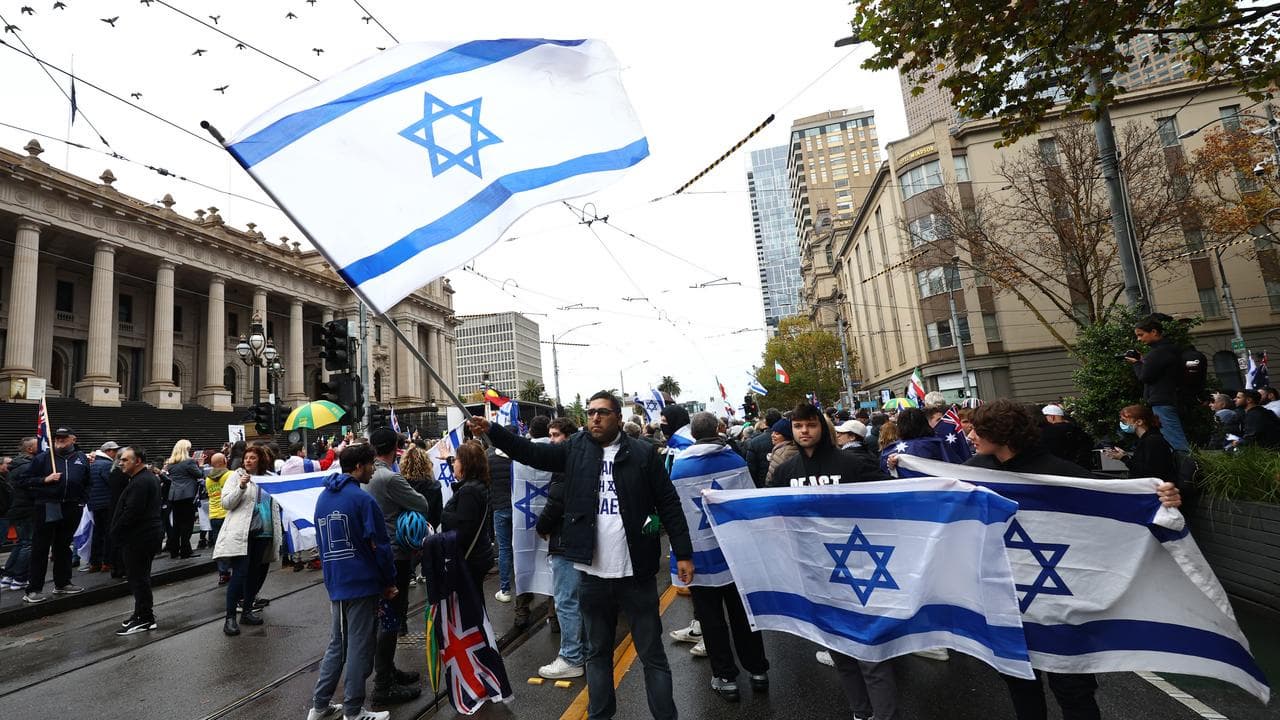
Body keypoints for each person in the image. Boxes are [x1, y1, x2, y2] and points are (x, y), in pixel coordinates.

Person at [469, 391, 693, 720]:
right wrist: (492, 430)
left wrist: (683, 552)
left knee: (652, 655)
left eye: (602, 412)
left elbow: (669, 504)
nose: (595, 418)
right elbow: (530, 453)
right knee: (596, 655)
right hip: (592, 575)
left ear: (617, 417)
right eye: (590, 413)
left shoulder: (644, 454)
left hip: (636, 574)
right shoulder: (576, 450)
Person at [964, 398, 1181, 720]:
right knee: (1019, 683)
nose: (969, 436)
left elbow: (1116, 503)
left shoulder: (1061, 474)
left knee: (1073, 689)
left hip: (1059, 602)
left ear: (1003, 434)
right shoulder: (970, 472)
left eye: (977, 430)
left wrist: (1164, 498)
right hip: (1005, 601)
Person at [767, 403, 897, 719]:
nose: (804, 432)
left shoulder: (850, 463)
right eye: (798, 426)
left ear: (821, 428)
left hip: (859, 569)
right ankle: (860, 712)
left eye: (810, 425)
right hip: (815, 573)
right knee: (840, 651)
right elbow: (767, 510)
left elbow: (893, 494)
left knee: (870, 653)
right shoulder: (786, 472)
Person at [673, 412, 769, 702]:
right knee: (744, 614)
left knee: (711, 619)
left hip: (699, 553)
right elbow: (750, 501)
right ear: (718, 429)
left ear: (692, 434)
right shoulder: (735, 461)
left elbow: (675, 513)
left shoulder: (678, 468)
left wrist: (680, 553)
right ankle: (757, 669)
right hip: (736, 550)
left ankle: (725, 676)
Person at [309, 442, 397, 720]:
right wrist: (389, 580)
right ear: (359, 466)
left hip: (336, 581)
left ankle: (320, 706)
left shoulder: (323, 497)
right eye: (371, 464)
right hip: (361, 581)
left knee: (338, 644)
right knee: (359, 645)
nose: (373, 470)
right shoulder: (363, 500)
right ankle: (354, 711)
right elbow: (381, 546)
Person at [364, 427, 427, 706]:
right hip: (395, 554)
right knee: (391, 618)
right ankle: (383, 685)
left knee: (385, 616)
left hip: (374, 554)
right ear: (394, 448)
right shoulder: (388, 477)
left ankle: (388, 671)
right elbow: (420, 502)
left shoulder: (366, 475)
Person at [213, 445, 282, 636]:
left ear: (261, 459)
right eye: (246, 458)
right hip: (243, 534)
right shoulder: (236, 476)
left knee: (256, 574)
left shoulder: (270, 479)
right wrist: (242, 487)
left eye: (252, 458)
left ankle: (247, 611)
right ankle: (230, 618)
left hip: (264, 533)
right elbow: (226, 503)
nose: (248, 461)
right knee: (240, 574)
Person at [538, 417, 586, 680]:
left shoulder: (566, 463)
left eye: (556, 435)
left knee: (566, 601)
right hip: (579, 538)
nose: (552, 440)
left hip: (566, 540)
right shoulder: (581, 458)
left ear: (568, 437)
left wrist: (542, 526)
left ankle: (571, 657)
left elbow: (556, 501)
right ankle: (584, 651)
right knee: (580, 599)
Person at [20, 427, 90, 603]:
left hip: (72, 506)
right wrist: (45, 480)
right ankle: (33, 589)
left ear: (73, 439)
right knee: (40, 548)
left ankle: (63, 583)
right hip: (48, 506)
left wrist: (82, 500)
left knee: (64, 546)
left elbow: (88, 482)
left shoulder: (81, 458)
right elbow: (23, 481)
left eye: (64, 437)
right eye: (57, 437)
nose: (59, 440)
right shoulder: (43, 458)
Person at [111, 446, 163, 636]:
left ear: (138, 461)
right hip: (143, 535)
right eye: (120, 459)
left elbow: (132, 512)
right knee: (139, 577)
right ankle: (141, 615)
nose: (121, 463)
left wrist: (115, 532)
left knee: (138, 578)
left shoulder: (141, 482)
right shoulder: (143, 478)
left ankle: (145, 618)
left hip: (140, 537)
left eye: (125, 460)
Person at [510, 417, 553, 631]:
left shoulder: (519, 455)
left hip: (523, 516)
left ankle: (522, 612)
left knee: (524, 559)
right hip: (550, 516)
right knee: (553, 562)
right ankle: (555, 617)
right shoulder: (555, 452)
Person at [1126, 314, 1189, 452]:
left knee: (1175, 441)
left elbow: (1144, 377)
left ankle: (1189, 469)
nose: (1139, 339)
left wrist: (1137, 364)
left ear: (1154, 332)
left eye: (1141, 335)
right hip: (1171, 398)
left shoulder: (1157, 353)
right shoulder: (1170, 350)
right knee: (1173, 438)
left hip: (1162, 400)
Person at [441, 441, 494, 598]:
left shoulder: (468, 491)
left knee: (471, 605)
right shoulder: (478, 484)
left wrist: (443, 515)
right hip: (479, 553)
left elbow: (464, 529)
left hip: (471, 558)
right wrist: (447, 457)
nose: (453, 463)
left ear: (466, 464)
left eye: (456, 460)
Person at [1103, 405, 1178, 487]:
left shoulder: (1152, 441)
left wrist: (1124, 458)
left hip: (1157, 492)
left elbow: (1150, 472)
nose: (1122, 424)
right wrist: (1124, 455)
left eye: (1125, 421)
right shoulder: (1147, 439)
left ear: (1139, 422)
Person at [1, 438, 36, 590]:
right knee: (28, 543)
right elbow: (33, 487)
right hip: (28, 509)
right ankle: (20, 578)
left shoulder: (15, 465)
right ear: (29, 449)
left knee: (21, 542)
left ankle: (8, 575)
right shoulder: (28, 466)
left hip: (17, 508)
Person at [163, 439, 203, 559]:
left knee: (177, 523)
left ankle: (174, 550)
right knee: (187, 523)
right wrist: (200, 465)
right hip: (187, 494)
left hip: (174, 495)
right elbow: (199, 474)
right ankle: (186, 550)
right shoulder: (189, 462)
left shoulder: (170, 463)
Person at [487, 439, 515, 604]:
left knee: (504, 549)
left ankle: (505, 589)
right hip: (518, 509)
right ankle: (527, 588)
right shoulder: (518, 458)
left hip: (499, 508)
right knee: (521, 548)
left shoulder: (490, 460)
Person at [881, 408, 948, 477]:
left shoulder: (890, 450)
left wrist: (891, 467)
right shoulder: (938, 444)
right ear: (925, 422)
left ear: (900, 426)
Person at [85, 441, 119, 573]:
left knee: (97, 533)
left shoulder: (93, 464)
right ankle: (107, 561)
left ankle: (95, 562)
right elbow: (112, 483)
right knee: (108, 533)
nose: (116, 454)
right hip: (107, 503)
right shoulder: (107, 465)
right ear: (108, 451)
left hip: (95, 503)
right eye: (115, 451)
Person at [205, 453, 234, 585]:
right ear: (224, 461)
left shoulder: (208, 479)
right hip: (228, 514)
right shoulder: (230, 475)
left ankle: (223, 573)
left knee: (220, 545)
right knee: (233, 544)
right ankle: (236, 570)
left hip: (214, 515)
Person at [1039, 405, 1095, 469]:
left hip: (1059, 469)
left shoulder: (1048, 432)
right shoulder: (1078, 430)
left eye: (1045, 417)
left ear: (1052, 417)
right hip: (1082, 469)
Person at [763, 418, 798, 487]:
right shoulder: (794, 447)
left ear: (786, 436)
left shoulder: (780, 453)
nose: (772, 435)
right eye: (773, 432)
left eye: (777, 433)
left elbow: (770, 479)